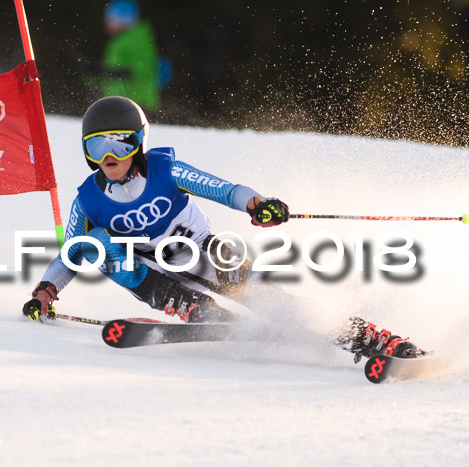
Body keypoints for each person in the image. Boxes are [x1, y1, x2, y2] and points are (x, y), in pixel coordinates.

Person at [22, 96, 425, 363]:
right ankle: (192, 307)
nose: (109, 157)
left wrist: (256, 204)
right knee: (96, 244)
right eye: (96, 148)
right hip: (155, 276)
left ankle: (376, 341)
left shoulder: (166, 170)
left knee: (274, 300)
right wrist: (46, 290)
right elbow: (70, 255)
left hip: (206, 252)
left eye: (119, 145)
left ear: (138, 144)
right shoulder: (88, 200)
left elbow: (220, 188)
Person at [100, 0, 161, 110]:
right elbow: (114, 68)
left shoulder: (135, 39)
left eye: (110, 19)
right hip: (123, 100)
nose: (106, 22)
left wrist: (120, 72)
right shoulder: (121, 40)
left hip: (137, 102)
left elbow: (144, 68)